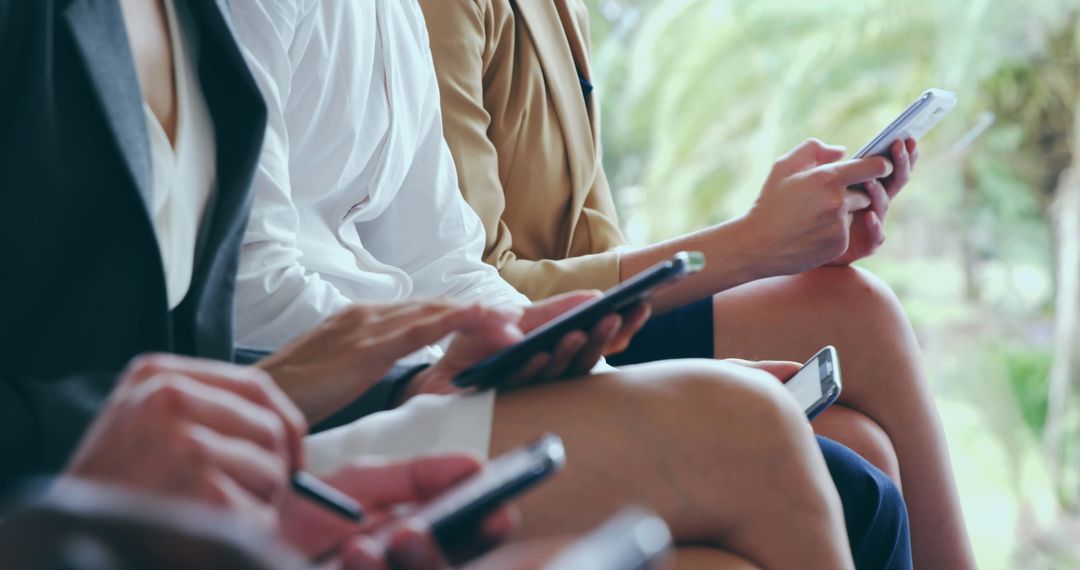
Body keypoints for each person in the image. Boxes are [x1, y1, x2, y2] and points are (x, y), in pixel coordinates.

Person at [228, 1, 910, 568]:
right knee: (853, 490)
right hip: (338, 397)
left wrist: (598, 377)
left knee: (853, 418)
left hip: (426, 367)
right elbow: (249, 289)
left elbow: (446, 257)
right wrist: (750, 246)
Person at [416, 0, 975, 567]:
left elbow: (589, 246)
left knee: (855, 316)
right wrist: (754, 244)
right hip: (519, 346)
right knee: (857, 439)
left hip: (588, 323)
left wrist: (785, 236)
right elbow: (471, 288)